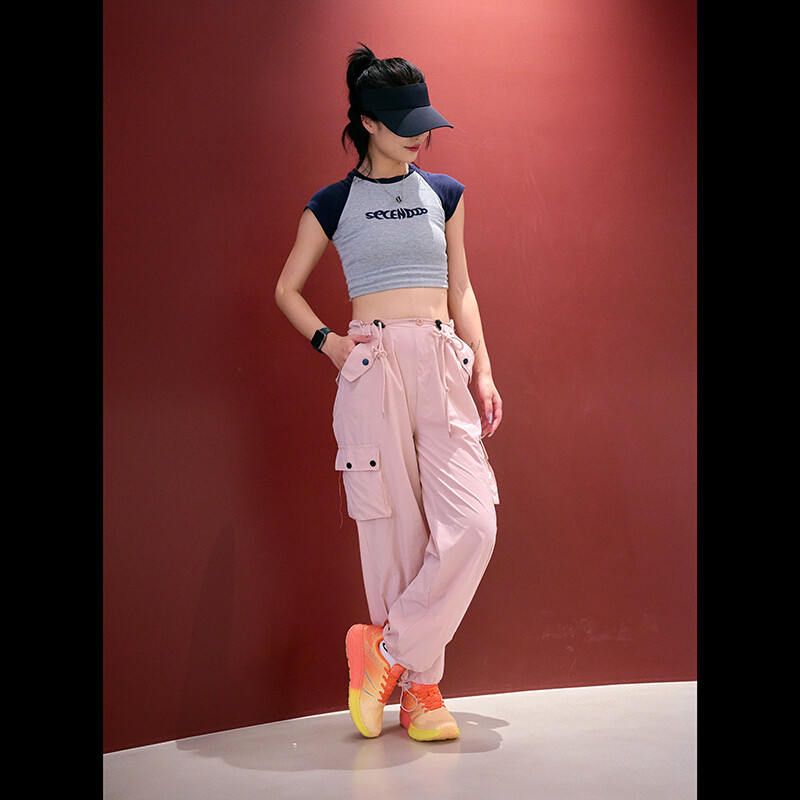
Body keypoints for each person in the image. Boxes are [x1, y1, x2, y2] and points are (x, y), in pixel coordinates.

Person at [275, 44, 502, 742]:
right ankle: (421, 693)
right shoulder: (333, 203)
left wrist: (484, 369)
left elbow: (461, 286)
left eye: (423, 125)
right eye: (404, 125)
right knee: (394, 536)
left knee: (473, 526)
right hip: (372, 367)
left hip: (441, 359)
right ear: (368, 123)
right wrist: (330, 343)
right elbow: (286, 290)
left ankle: (383, 652)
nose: (418, 137)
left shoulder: (444, 194)